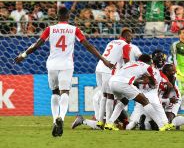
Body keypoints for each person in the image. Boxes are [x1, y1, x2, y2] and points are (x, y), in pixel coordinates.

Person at [14, 7, 114, 137]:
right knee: (65, 92)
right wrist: (103, 59)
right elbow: (88, 45)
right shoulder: (74, 30)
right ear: (68, 17)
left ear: (57, 17)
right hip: (67, 65)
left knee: (55, 92)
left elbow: (37, 44)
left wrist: (23, 54)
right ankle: (61, 116)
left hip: (52, 64)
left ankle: (56, 119)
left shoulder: (50, 29)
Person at [105, 54, 173, 131]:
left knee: (124, 101)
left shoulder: (130, 63)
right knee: (145, 101)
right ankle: (161, 125)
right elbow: (153, 82)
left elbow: (128, 77)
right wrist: (150, 83)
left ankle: (109, 123)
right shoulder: (147, 67)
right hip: (123, 83)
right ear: (148, 61)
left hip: (112, 82)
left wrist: (141, 81)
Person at [95, 28, 133, 129]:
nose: (132, 38)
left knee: (104, 95)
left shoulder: (112, 41)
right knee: (110, 96)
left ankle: (99, 121)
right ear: (126, 36)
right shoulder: (125, 45)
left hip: (99, 68)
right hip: (108, 69)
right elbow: (126, 60)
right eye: (130, 36)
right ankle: (108, 123)